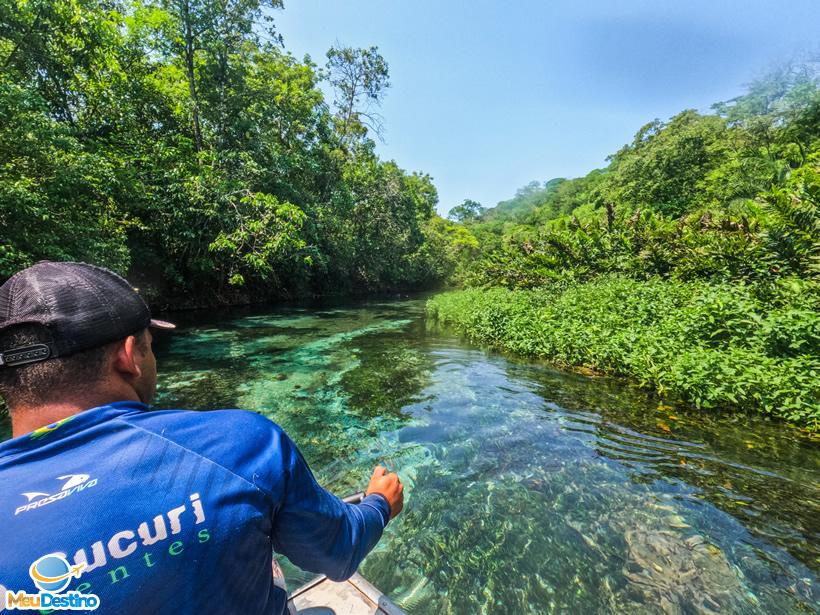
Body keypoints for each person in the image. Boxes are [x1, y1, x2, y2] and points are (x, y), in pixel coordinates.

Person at [0, 261, 404, 614]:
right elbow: (339, 554)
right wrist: (378, 505)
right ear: (127, 356)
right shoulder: (243, 444)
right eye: (150, 346)